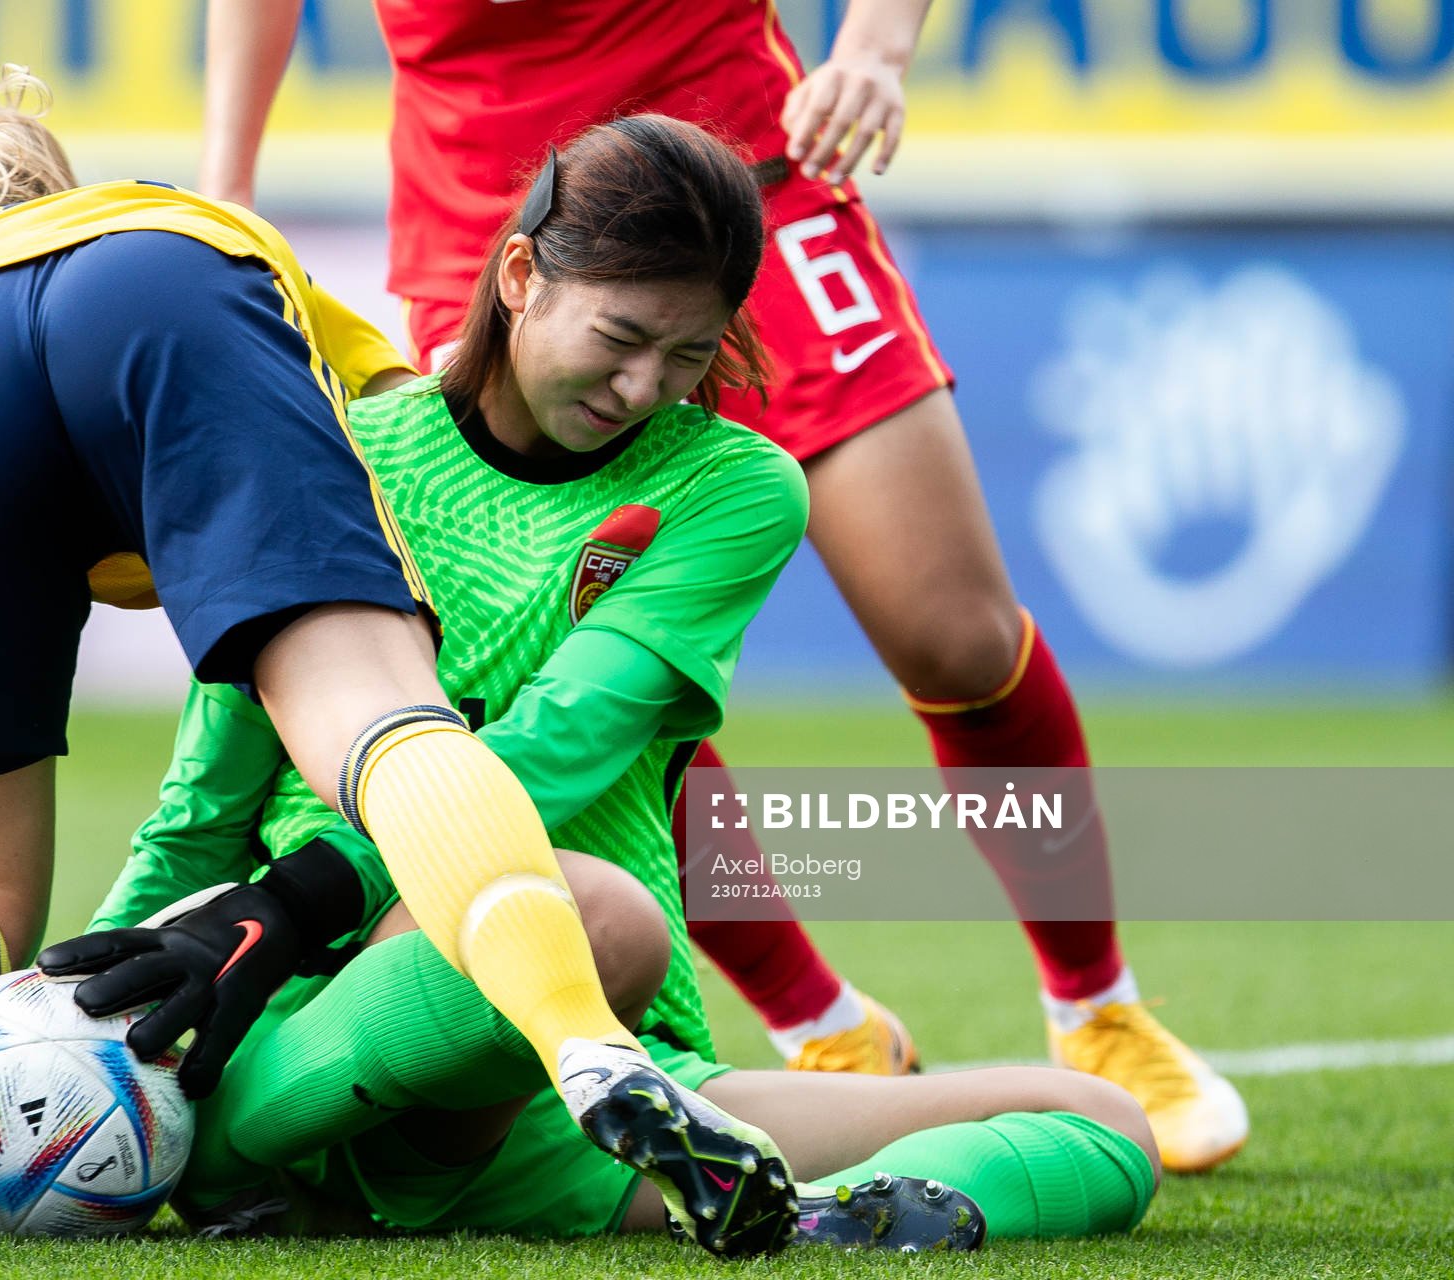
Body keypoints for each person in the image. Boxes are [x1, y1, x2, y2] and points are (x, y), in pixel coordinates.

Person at [0, 71, 793, 1253]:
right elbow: (410, 484)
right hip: (170, 296)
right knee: (382, 724)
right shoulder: (181, 237)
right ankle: (587, 1043)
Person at [39, 116, 1161, 1250]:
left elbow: (560, 738)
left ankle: (818, 1222)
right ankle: (255, 1154)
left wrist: (303, 893)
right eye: (622, 336)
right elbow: (206, 802)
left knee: (1102, 1122)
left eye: (687, 356)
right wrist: (69, 1020)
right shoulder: (341, 454)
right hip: (317, 1006)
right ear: (520, 275)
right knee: (595, 913)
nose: (641, 387)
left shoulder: (734, 485)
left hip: (593, 1067)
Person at [197, 0, 1247, 1172]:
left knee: (953, 632)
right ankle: (821, 1023)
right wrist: (229, 191)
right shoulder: (499, 303)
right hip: (485, 204)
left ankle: (1098, 1002)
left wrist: (874, 50)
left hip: (743, 167)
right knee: (580, 684)